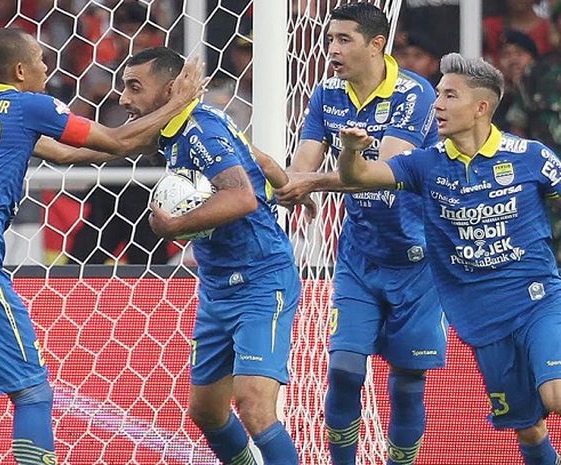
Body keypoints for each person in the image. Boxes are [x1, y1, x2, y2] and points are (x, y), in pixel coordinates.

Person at [0, 28, 203, 465]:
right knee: (31, 392)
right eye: (41, 59)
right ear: (19, 70)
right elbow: (118, 140)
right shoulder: (30, 104)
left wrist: (140, 134)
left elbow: (66, 154)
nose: (48, 67)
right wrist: (181, 101)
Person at [337, 52, 561, 465]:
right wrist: (352, 152)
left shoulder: (531, 157)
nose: (436, 104)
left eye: (449, 95)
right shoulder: (427, 164)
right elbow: (361, 179)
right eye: (437, 93)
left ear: (481, 107)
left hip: (538, 301)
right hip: (483, 319)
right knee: (529, 428)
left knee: (555, 393)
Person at [274, 4, 447, 465]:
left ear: (376, 45)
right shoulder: (326, 93)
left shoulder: (415, 93)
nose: (332, 49)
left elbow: (383, 172)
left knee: (408, 381)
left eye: (344, 39)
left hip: (419, 260)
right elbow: (301, 165)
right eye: (330, 39)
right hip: (359, 255)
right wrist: (289, 185)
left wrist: (316, 179)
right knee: (344, 368)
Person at [119, 46, 307, 465]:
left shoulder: (198, 130)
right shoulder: (182, 129)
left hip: (260, 277)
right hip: (218, 284)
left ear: (170, 90)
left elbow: (241, 198)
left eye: (134, 87)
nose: (124, 99)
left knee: (254, 406)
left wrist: (171, 227)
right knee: (206, 412)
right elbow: (253, 154)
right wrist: (285, 181)